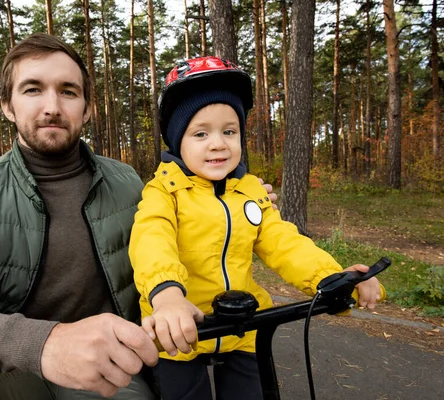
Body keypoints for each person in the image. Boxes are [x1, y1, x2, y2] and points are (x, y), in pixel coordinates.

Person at [0, 33, 277, 400]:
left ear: (88, 108)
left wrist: (239, 202)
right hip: (11, 368)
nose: (52, 106)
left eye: (68, 91)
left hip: (111, 371)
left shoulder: (129, 184)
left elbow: (183, 225)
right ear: (8, 105)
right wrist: (46, 344)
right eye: (33, 89)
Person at [129, 56, 385, 400]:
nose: (218, 143)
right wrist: (167, 297)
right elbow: (151, 240)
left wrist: (329, 277)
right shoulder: (164, 192)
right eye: (201, 133)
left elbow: (282, 241)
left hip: (244, 326)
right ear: (177, 141)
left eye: (229, 131)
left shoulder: (250, 190)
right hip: (178, 326)